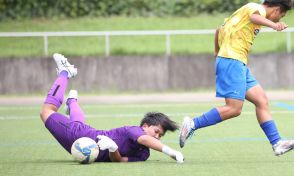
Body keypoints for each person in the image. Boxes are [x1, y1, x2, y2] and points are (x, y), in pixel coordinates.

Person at [179, 0, 294, 156]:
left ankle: (277, 143)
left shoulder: (243, 12)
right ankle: (192, 124)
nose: (280, 19)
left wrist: (217, 52)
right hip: (232, 60)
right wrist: (273, 26)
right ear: (276, 9)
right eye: (282, 15)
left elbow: (219, 29)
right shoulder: (256, 8)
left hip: (236, 62)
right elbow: (255, 17)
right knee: (234, 109)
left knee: (261, 100)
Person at [40, 53, 184, 163]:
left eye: (160, 135)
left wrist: (113, 149)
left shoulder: (144, 155)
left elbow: (119, 161)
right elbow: (145, 140)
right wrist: (170, 152)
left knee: (77, 124)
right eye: (156, 132)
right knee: (47, 111)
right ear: (145, 126)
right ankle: (65, 72)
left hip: (87, 139)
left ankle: (72, 101)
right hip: (81, 137)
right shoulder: (134, 131)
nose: (157, 137)